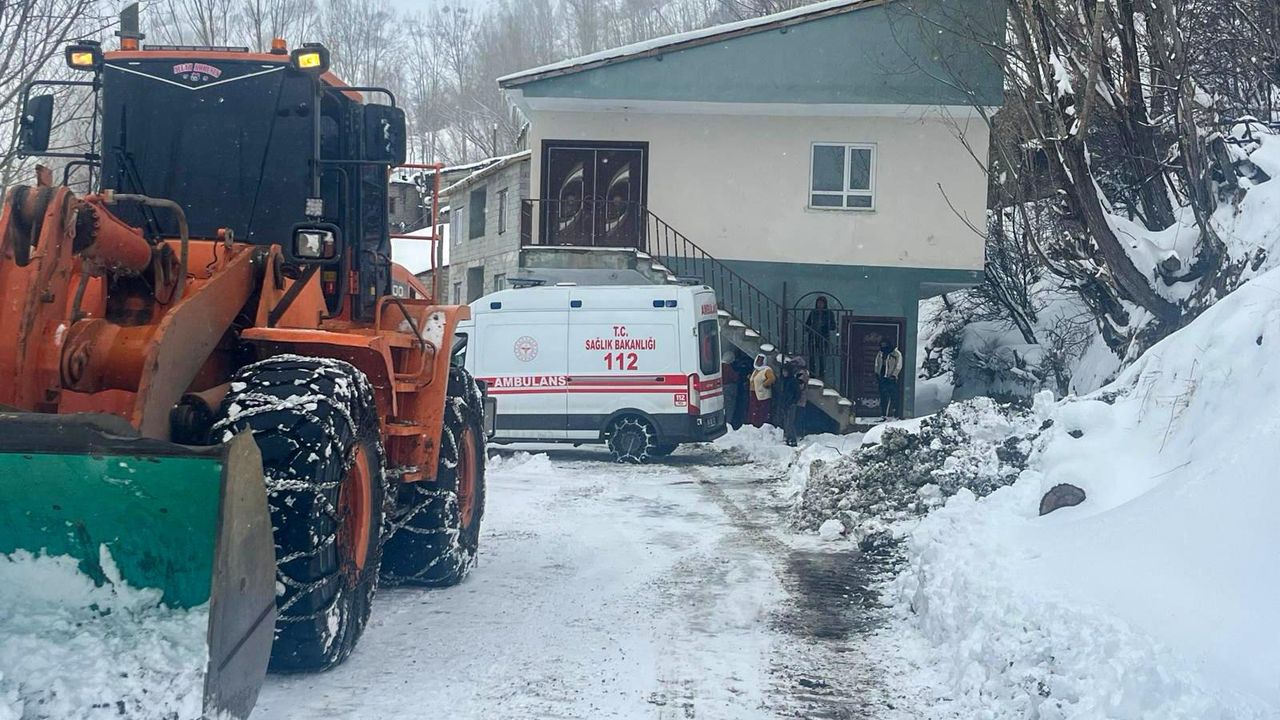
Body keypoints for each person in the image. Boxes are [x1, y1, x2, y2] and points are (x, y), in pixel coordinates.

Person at [778, 356, 810, 446]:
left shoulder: (800, 374)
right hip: (792, 400)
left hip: (796, 401)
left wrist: (792, 400)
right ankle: (790, 436)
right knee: (790, 419)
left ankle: (794, 437)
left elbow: (799, 388)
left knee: (792, 420)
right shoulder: (792, 376)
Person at [804, 295, 835, 382]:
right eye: (818, 303)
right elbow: (807, 324)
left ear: (825, 304)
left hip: (823, 338)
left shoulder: (829, 313)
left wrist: (825, 326)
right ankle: (812, 375)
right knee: (812, 357)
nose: (820, 305)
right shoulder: (813, 312)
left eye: (822, 303)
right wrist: (810, 329)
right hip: (813, 337)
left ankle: (821, 376)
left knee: (822, 358)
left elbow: (833, 326)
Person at [874, 338, 903, 419]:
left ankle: (895, 414)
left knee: (894, 396)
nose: (883, 346)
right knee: (883, 396)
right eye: (882, 345)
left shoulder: (896, 353)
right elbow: (876, 364)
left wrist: (894, 375)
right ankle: (884, 414)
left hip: (891, 378)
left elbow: (899, 365)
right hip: (882, 376)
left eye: (885, 344)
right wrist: (877, 373)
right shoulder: (880, 353)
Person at [746, 353, 775, 428]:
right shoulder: (755, 370)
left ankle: (760, 425)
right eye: (758, 360)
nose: (759, 362)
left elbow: (772, 378)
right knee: (753, 410)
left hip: (763, 395)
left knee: (761, 411)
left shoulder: (767, 370)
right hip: (754, 393)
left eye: (761, 361)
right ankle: (753, 424)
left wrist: (764, 384)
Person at [721, 351, 742, 430]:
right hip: (729, 389)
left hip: (722, 388)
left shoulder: (719, 366)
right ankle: (728, 423)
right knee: (729, 407)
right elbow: (734, 377)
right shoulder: (727, 367)